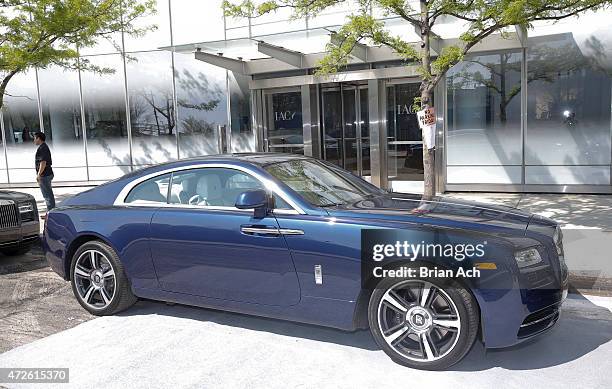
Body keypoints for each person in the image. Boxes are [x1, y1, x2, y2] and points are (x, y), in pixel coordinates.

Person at [34, 132, 55, 211]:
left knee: (47, 195)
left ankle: (51, 212)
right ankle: (49, 211)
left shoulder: (43, 148)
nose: (34, 140)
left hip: (44, 175)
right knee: (47, 194)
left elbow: (43, 162)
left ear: (38, 138)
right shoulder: (43, 147)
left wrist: (39, 175)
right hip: (46, 174)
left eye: (35, 138)